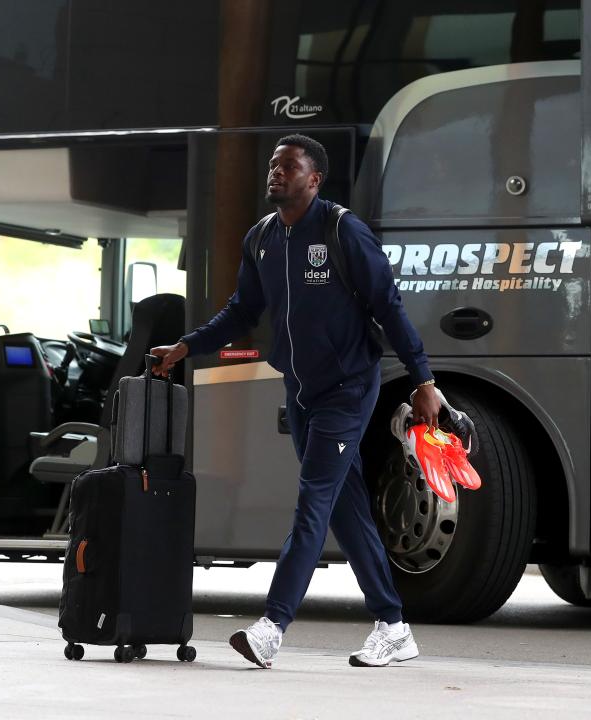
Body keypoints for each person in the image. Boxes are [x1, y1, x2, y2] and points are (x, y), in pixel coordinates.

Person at [150, 134, 440, 668]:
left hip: (348, 388)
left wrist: (423, 379)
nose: (275, 173)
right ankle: (394, 626)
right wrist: (186, 347)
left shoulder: (341, 230)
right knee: (346, 508)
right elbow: (241, 313)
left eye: (288, 167)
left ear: (314, 179)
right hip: (302, 391)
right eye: (272, 165)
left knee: (313, 503)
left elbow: (389, 307)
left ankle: (272, 626)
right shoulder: (263, 238)